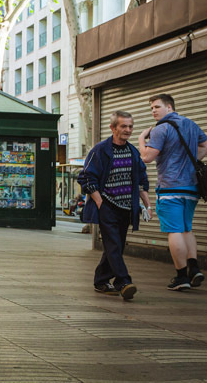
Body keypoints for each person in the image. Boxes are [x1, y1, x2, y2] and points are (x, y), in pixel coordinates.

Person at [138, 93, 207, 291]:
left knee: (174, 230)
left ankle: (181, 277)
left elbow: (147, 157)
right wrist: (191, 161)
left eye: (156, 106)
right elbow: (206, 144)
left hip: (170, 188)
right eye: (151, 108)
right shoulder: (191, 124)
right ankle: (194, 268)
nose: (153, 110)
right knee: (186, 228)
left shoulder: (161, 129)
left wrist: (141, 139)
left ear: (169, 107)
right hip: (191, 188)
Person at [78, 110, 151, 301]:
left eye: (130, 126)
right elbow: (86, 177)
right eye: (123, 126)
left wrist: (147, 206)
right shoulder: (101, 150)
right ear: (113, 128)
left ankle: (101, 280)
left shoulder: (133, 152)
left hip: (126, 208)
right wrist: (100, 202)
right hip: (107, 205)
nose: (128, 130)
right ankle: (123, 281)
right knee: (113, 244)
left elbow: (142, 181)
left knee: (116, 246)